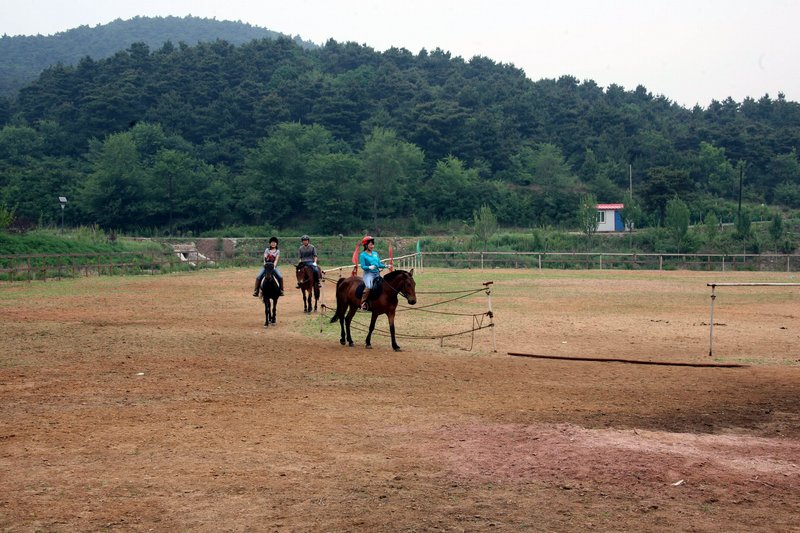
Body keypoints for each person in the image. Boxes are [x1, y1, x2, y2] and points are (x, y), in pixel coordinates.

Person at [358, 235, 387, 310]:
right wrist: (369, 267)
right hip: (368, 274)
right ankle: (362, 303)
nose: (372, 246)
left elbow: (379, 264)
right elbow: (363, 266)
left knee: (383, 285)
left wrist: (386, 266)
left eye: (373, 244)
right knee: (369, 287)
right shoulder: (363, 255)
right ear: (366, 245)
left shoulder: (375, 253)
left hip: (377, 273)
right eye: (370, 244)